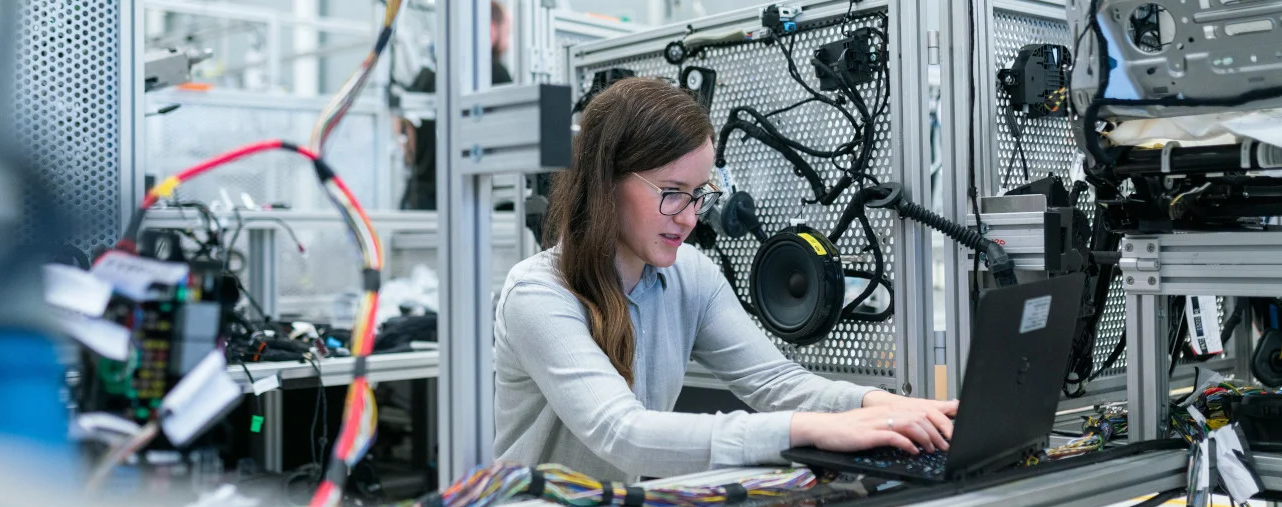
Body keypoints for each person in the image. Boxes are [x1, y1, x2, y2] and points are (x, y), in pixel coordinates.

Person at [493, 77, 958, 481]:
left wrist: (880, 405)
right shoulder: (539, 293)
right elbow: (623, 434)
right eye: (672, 194)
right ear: (605, 182)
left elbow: (776, 383)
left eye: (699, 195)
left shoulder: (690, 275)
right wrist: (809, 430)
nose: (691, 218)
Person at [398, 1, 513, 211]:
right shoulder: (494, 72)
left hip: (421, 199)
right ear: (490, 29)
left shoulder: (427, 75)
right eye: (507, 31)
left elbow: (404, 132)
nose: (508, 41)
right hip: (468, 198)